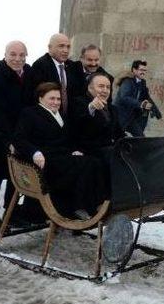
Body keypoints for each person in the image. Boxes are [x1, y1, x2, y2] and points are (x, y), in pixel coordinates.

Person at [13, 82, 107, 219]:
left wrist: (74, 149)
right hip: (46, 161)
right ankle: (78, 207)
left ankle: (95, 204)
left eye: (58, 99)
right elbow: (19, 139)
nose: (56, 102)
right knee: (85, 164)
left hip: (63, 157)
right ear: (40, 98)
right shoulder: (30, 113)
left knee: (95, 162)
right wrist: (34, 152)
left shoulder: (61, 115)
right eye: (52, 98)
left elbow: (69, 138)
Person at [0, 41, 35, 232]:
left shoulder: (28, 74)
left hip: (19, 135)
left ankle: (10, 215)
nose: (17, 59)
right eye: (13, 54)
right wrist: (9, 141)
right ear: (5, 55)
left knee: (16, 178)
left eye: (22, 55)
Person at [70, 73, 124, 156]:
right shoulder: (78, 102)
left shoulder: (112, 109)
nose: (105, 90)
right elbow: (77, 126)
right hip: (88, 153)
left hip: (111, 152)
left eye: (108, 87)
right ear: (89, 87)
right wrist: (91, 108)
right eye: (101, 86)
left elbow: (119, 133)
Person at [31, 33, 86, 114]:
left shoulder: (74, 67)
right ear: (50, 47)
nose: (65, 50)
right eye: (61, 46)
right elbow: (38, 96)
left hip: (71, 119)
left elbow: (80, 93)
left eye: (68, 47)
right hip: (49, 117)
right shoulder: (40, 65)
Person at [113, 60, 162, 137]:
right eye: (141, 70)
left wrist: (156, 111)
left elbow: (147, 97)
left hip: (130, 117)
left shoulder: (142, 82)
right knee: (117, 138)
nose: (143, 72)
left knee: (140, 137)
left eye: (145, 70)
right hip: (120, 116)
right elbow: (124, 97)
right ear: (134, 70)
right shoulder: (127, 81)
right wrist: (141, 104)